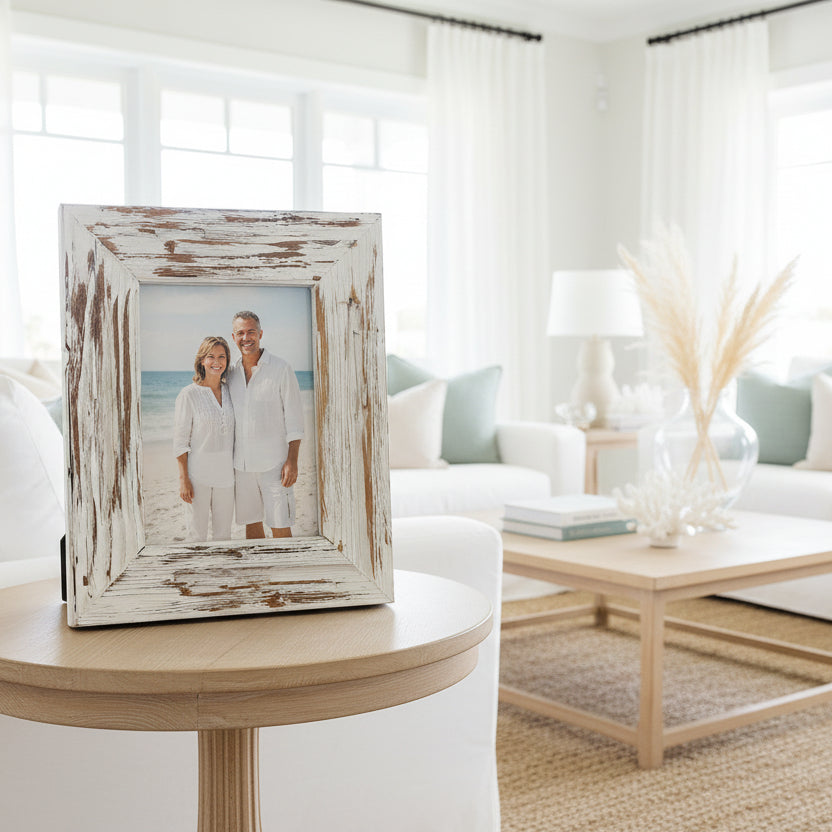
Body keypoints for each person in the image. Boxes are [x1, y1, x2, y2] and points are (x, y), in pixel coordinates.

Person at [227, 310, 304, 539]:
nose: (246, 337)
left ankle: (287, 575)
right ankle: (261, 574)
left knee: (280, 525)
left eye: (251, 331)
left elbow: (295, 419)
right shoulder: (230, 373)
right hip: (242, 467)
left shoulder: (281, 368)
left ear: (260, 334)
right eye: (240, 333)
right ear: (233, 337)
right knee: (252, 527)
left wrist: (292, 460)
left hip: (275, 465)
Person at [173, 336, 235, 542]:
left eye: (221, 357)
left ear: (227, 361)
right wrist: (184, 480)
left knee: (224, 536)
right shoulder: (188, 394)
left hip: (227, 477)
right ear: (202, 360)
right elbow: (181, 441)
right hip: (198, 477)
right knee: (196, 536)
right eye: (211, 357)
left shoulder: (231, 391)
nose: (216, 362)